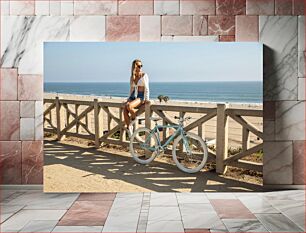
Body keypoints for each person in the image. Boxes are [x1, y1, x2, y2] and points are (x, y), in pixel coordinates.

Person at [124, 59, 150, 134]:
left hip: (140, 97)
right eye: (139, 66)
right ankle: (129, 127)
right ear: (134, 67)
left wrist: (147, 99)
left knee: (129, 106)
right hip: (133, 96)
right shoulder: (132, 77)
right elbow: (131, 89)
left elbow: (147, 88)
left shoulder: (144, 75)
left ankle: (135, 118)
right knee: (125, 109)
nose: (140, 67)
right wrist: (128, 98)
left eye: (141, 66)